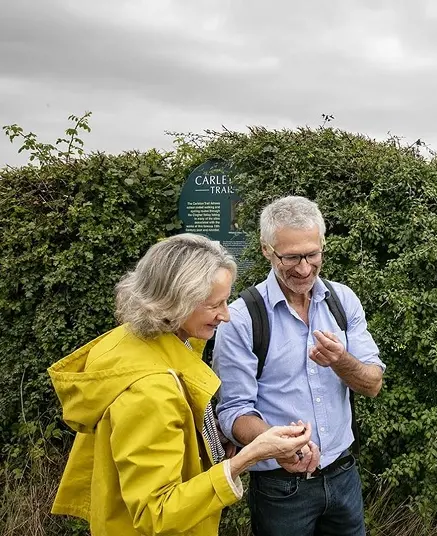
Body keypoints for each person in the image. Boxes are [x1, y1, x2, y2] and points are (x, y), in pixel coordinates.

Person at [48, 233, 317, 535]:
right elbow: (157, 513)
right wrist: (249, 456)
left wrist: (208, 441)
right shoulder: (150, 391)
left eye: (226, 300)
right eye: (215, 304)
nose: (225, 315)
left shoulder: (135, 342)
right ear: (174, 302)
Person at [213, 195, 385, 536]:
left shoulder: (343, 300)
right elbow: (233, 412)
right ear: (266, 249)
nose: (304, 268)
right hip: (280, 488)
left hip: (343, 473)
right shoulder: (241, 319)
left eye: (311, 254)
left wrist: (341, 361)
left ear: (322, 245)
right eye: (290, 257)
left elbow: (372, 383)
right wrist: (279, 446)